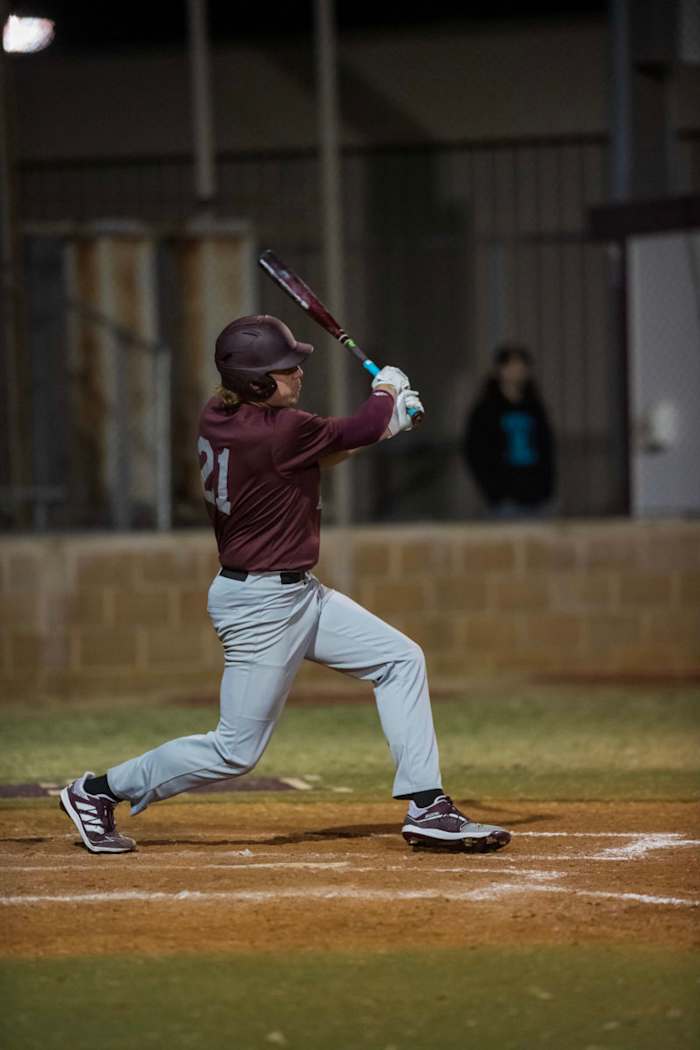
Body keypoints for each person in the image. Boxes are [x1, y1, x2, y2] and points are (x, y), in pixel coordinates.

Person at [59, 315, 511, 855]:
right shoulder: (279, 429)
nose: (298, 373)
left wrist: (389, 422)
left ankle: (427, 804)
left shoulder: (221, 415)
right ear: (254, 383)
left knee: (400, 659)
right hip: (262, 605)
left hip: (298, 594)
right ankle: (97, 792)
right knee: (234, 751)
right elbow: (356, 428)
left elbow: (316, 454)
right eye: (284, 369)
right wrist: (388, 394)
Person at [463, 344, 555, 517]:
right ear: (500, 369)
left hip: (536, 496)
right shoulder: (487, 409)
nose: (517, 371)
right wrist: (493, 489)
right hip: (504, 499)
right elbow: (475, 449)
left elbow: (546, 447)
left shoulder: (534, 407)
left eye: (521, 366)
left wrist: (546, 487)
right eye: (512, 365)